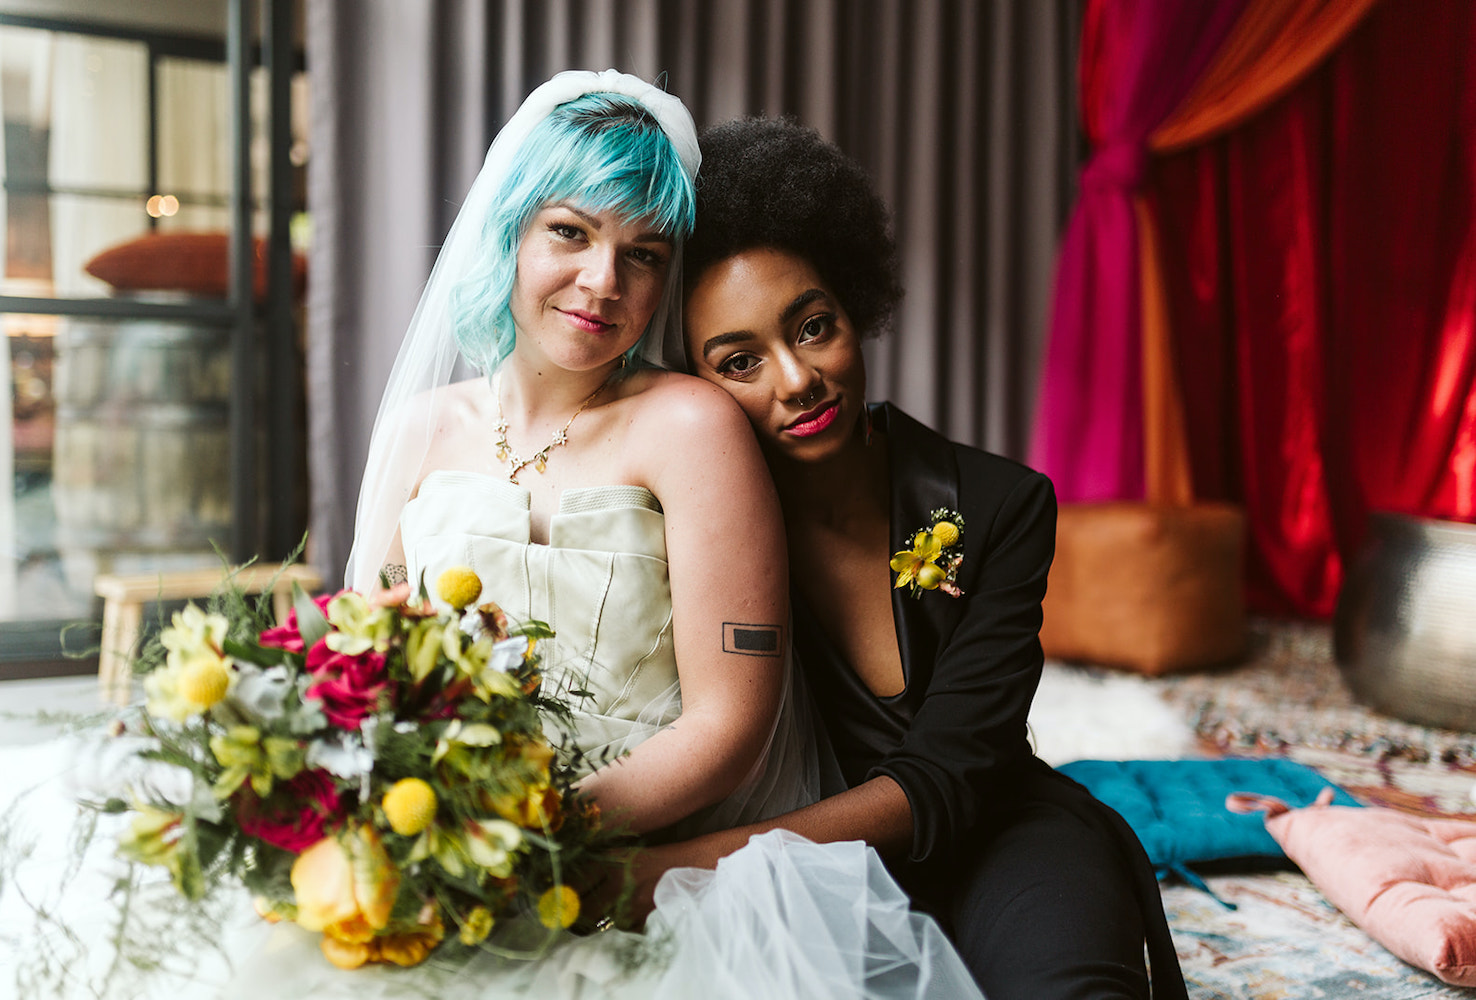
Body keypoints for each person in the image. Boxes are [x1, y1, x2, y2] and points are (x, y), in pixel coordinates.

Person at [337, 73, 979, 999]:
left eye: (644, 254)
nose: (604, 282)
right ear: (508, 227)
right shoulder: (418, 431)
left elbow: (733, 723)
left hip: (654, 862)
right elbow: (371, 669)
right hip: (455, 838)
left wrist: (541, 833)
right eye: (570, 231)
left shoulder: (692, 425)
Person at [655, 115, 1189, 1000]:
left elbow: (948, 780)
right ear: (694, 385)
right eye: (740, 361)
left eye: (812, 326)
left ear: (855, 308)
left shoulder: (1002, 506)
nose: (796, 379)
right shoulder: (694, 529)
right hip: (806, 874)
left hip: (999, 834)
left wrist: (683, 868)